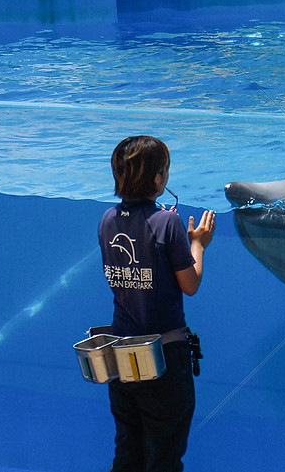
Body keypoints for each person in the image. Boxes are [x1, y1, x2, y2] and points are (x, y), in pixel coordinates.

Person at [99, 135, 215, 472]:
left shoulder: (107, 220)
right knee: (164, 455)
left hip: (121, 357)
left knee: (128, 453)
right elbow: (190, 284)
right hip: (162, 359)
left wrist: (162, 229)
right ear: (158, 179)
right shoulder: (168, 222)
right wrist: (197, 244)